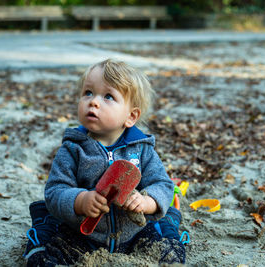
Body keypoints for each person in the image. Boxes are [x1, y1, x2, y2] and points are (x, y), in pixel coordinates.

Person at [23, 59, 186, 266]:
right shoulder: (73, 149)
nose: (93, 101)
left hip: (134, 234)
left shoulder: (142, 149)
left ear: (131, 116)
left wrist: (147, 202)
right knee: (42, 258)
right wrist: (80, 200)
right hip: (82, 235)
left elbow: (163, 185)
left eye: (108, 96)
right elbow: (54, 192)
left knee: (171, 254)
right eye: (88, 93)